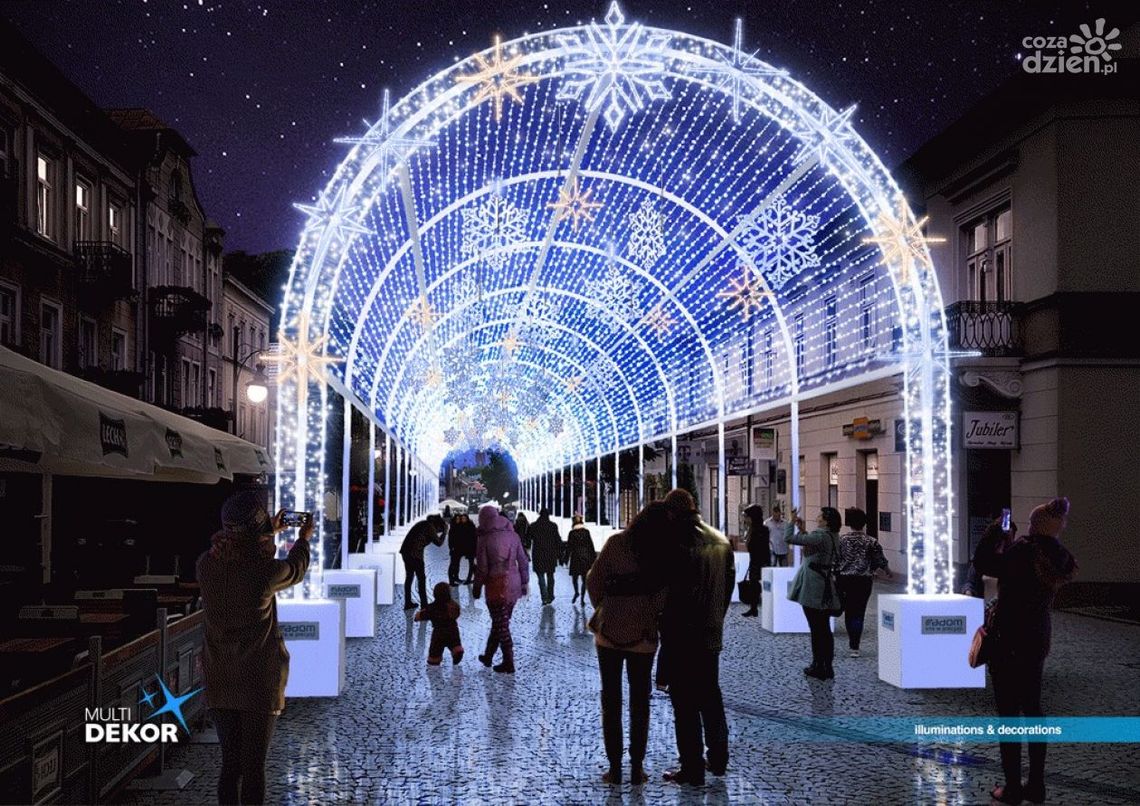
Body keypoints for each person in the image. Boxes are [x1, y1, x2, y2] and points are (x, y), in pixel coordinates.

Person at [196, 492, 312, 806]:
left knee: (230, 766)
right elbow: (296, 568)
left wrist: (266, 532)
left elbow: (238, 552)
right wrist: (303, 538)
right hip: (258, 679)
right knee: (253, 769)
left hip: (220, 676)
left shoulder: (206, 565)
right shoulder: (265, 572)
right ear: (256, 529)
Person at [974, 497, 1076, 805]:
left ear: (1035, 525)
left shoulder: (1022, 550)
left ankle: (1012, 788)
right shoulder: (1059, 556)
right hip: (1037, 637)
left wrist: (996, 533)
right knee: (1033, 709)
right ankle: (1036, 785)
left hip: (1009, 638)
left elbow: (984, 563)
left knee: (1008, 713)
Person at [587, 502, 673, 785]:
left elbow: (593, 579)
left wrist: (605, 606)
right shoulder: (662, 553)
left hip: (608, 635)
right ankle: (637, 767)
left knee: (610, 701)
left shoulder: (616, 543)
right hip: (643, 638)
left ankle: (614, 768)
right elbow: (664, 594)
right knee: (640, 702)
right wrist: (649, 612)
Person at [659, 489, 735, 786]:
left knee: (685, 704)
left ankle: (692, 767)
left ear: (671, 512)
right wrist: (716, 618)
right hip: (710, 632)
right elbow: (727, 590)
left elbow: (671, 594)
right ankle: (718, 758)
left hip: (681, 635)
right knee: (711, 696)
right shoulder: (720, 540)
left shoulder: (676, 543)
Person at [786, 507, 842, 680]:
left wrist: (790, 521)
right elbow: (811, 544)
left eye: (819, 515)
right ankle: (826, 665)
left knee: (817, 628)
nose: (817, 517)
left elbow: (789, 538)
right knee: (823, 628)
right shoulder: (831, 536)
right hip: (824, 584)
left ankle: (819, 665)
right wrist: (802, 529)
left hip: (814, 587)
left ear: (825, 520)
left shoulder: (821, 536)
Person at [474, 504, 530, 673]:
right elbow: (523, 560)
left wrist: (476, 588)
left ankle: (509, 661)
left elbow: (482, 569)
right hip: (513, 585)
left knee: (502, 625)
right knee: (500, 622)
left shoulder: (484, 539)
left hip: (495, 585)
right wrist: (524, 582)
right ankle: (488, 656)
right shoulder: (513, 536)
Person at [835, 508, 891, 657]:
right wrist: (887, 570)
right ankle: (855, 646)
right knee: (859, 612)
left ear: (850, 523)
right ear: (864, 523)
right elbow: (880, 559)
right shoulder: (871, 541)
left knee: (849, 612)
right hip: (863, 580)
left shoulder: (842, 540)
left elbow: (836, 559)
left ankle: (852, 642)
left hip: (845, 579)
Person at [400, 514, 446, 610]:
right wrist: (445, 532)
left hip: (406, 552)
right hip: (415, 554)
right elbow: (439, 543)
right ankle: (424, 605)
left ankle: (407, 602)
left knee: (409, 577)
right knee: (421, 579)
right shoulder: (430, 527)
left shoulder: (423, 524)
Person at [415, 582, 464, 666]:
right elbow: (457, 613)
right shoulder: (453, 605)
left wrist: (417, 616)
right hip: (453, 630)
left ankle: (434, 659)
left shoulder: (432, 607)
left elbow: (422, 615)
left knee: (435, 649)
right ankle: (457, 651)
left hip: (438, 632)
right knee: (454, 643)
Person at [529, 508, 563, 605]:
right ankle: (550, 595)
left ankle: (544, 597)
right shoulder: (553, 526)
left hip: (538, 554)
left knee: (540, 576)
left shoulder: (534, 526)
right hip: (550, 554)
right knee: (550, 575)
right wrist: (560, 554)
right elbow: (558, 540)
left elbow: (528, 539)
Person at [741, 504, 770, 618]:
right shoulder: (752, 529)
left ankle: (756, 606)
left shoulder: (761, 530)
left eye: (747, 517)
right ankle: (753, 608)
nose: (745, 519)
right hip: (754, 560)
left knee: (756, 583)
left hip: (760, 561)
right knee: (753, 584)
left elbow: (759, 547)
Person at [564, 514, 597, 604]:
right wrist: (594, 559)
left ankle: (576, 592)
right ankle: (582, 598)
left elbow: (569, 547)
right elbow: (591, 545)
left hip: (575, 557)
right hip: (586, 557)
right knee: (584, 579)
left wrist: (566, 559)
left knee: (574, 578)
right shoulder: (586, 532)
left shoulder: (572, 533)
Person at [447, 511, 478, 586]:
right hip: (458, 549)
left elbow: (473, 537)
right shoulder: (455, 527)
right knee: (454, 564)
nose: (461, 520)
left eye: (463, 518)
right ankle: (453, 580)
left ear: (467, 519)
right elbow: (452, 539)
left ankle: (470, 579)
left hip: (471, 548)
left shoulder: (470, 526)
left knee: (471, 565)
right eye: (460, 518)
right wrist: (451, 547)